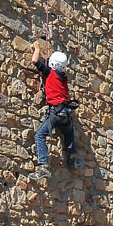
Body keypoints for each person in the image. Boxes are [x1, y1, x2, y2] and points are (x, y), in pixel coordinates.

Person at [30, 41, 77, 180]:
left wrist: (37, 48)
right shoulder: (64, 78)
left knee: (40, 136)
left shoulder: (50, 72)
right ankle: (73, 160)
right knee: (69, 134)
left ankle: (43, 166)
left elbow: (34, 61)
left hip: (56, 112)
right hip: (66, 113)